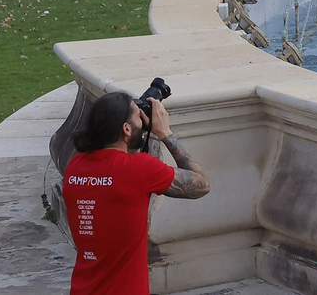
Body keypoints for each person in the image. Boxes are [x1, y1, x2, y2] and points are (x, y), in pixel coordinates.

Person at [63, 91, 210, 295]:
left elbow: (115, 168)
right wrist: (165, 133)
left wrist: (135, 133)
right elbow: (201, 184)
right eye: (137, 116)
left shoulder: (75, 167)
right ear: (126, 128)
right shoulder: (140, 169)